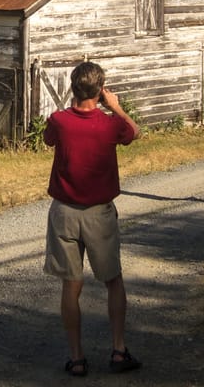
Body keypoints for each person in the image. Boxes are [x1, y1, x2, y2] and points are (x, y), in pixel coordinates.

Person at [42, 61, 142, 377]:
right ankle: (118, 349)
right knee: (113, 280)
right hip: (99, 212)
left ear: (73, 88)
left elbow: (48, 139)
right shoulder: (110, 124)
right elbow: (134, 132)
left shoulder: (59, 121)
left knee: (71, 285)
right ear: (100, 91)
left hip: (65, 212)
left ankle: (77, 358)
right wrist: (116, 107)